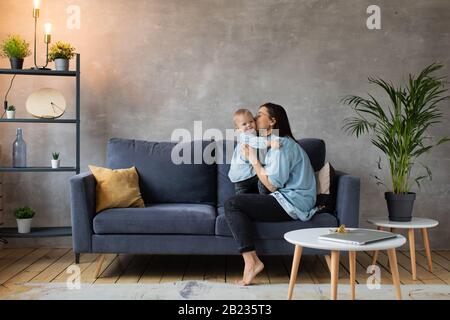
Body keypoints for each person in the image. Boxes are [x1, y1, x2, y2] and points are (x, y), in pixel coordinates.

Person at [224, 103, 318, 286]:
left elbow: (272, 186)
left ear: (273, 121)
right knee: (239, 201)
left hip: (292, 201)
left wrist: (253, 159)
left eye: (259, 115)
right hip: (287, 197)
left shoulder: (282, 144)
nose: (255, 119)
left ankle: (252, 262)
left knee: (231, 204)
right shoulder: (273, 142)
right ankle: (251, 261)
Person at [228, 108, 280, 195]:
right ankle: (265, 199)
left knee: (243, 199)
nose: (249, 125)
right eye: (244, 124)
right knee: (264, 178)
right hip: (244, 175)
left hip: (241, 178)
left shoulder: (254, 134)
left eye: (251, 121)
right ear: (238, 128)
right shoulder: (244, 136)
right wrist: (271, 143)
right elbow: (256, 142)